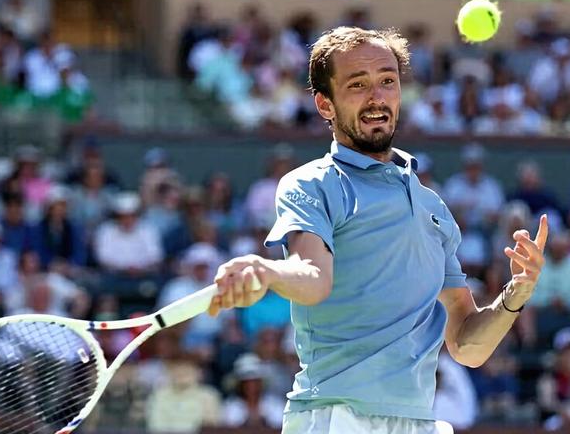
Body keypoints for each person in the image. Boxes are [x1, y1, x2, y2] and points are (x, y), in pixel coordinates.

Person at [207, 27, 548, 434]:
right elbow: (313, 277)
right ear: (324, 104)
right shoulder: (311, 184)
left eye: (388, 81)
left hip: (417, 422)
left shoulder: (432, 207)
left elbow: (466, 346)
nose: (377, 97)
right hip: (336, 418)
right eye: (357, 85)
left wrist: (516, 295)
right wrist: (268, 272)